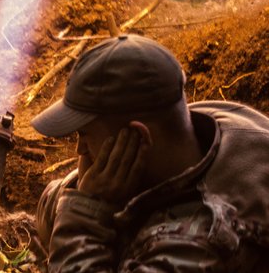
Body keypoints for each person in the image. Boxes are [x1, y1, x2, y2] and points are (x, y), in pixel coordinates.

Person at [31, 34, 269, 272]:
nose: (79, 149)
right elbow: (52, 204)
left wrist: (84, 217)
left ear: (137, 137)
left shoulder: (205, 242)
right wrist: (85, 202)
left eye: (83, 134)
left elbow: (69, 220)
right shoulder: (209, 125)